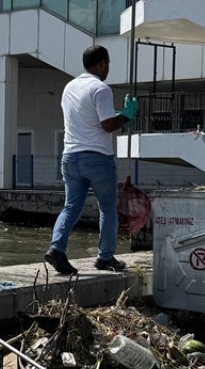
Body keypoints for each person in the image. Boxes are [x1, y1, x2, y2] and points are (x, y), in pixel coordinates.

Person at [44, 45, 138, 276]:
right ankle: (105, 257)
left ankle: (57, 248)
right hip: (96, 158)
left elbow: (87, 118)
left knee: (71, 206)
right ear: (102, 63)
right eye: (108, 64)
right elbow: (107, 125)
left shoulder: (69, 87)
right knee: (107, 208)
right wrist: (127, 114)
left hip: (70, 157)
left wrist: (118, 114)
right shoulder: (100, 88)